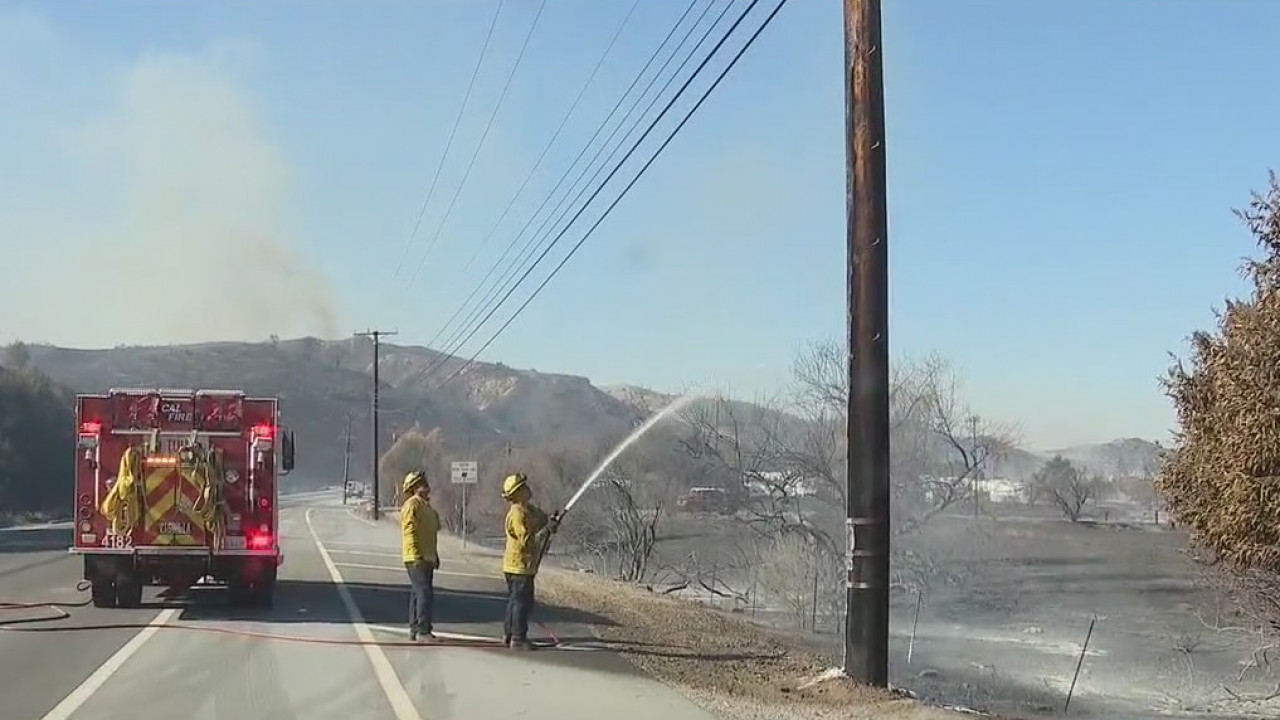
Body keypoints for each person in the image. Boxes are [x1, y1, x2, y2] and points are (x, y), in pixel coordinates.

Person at [500, 472, 561, 650]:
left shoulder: (528, 509)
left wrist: (550, 522)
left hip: (522, 565)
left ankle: (509, 634)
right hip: (519, 566)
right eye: (523, 487)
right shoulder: (517, 514)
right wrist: (546, 531)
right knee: (521, 602)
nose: (528, 489)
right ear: (517, 493)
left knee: (516, 600)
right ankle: (518, 638)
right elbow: (526, 540)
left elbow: (541, 520)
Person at [400, 470, 441, 642]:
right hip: (416, 557)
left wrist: (435, 555)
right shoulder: (412, 505)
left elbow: (431, 534)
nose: (426, 487)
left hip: (427, 556)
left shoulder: (426, 507)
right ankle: (423, 630)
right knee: (424, 592)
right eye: (422, 484)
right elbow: (409, 531)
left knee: (418, 593)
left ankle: (415, 628)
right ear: (414, 487)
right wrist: (416, 554)